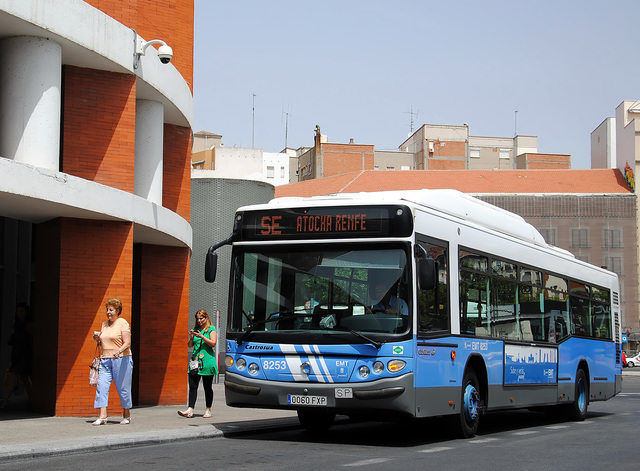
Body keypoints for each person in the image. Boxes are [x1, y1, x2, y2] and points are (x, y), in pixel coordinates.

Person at [91, 298, 133, 425]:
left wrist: (119, 351)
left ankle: (126, 414)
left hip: (121, 359)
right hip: (105, 360)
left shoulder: (122, 323)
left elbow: (127, 342)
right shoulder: (104, 324)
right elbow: (105, 340)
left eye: (111, 310)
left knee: (123, 388)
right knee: (101, 386)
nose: (108, 312)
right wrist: (97, 339)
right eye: (107, 310)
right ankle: (102, 416)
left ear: (117, 310)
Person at [178, 309, 218, 418]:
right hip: (195, 361)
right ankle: (190, 409)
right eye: (197, 318)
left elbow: (213, 343)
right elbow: (190, 345)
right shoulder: (196, 329)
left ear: (206, 318)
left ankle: (208, 409)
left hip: (207, 362)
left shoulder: (211, 329)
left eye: (201, 318)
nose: (199, 320)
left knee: (207, 386)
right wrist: (191, 338)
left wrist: (202, 337)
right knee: (193, 386)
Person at [1, 303, 33, 409]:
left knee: (14, 378)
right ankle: (33, 401)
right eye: (18, 311)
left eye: (22, 311)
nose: (20, 314)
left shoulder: (28, 325)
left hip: (24, 356)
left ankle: (4, 402)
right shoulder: (18, 325)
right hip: (18, 355)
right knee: (23, 379)